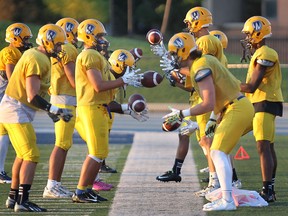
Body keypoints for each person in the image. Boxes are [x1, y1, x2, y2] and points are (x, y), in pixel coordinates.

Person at [162, 32, 254, 211]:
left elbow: (208, 102)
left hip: (235, 108)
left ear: (184, 51)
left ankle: (227, 200)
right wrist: (202, 125)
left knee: (217, 152)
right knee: (215, 148)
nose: (174, 58)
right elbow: (216, 101)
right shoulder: (201, 63)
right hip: (229, 109)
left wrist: (182, 113)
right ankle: (226, 192)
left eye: (175, 53)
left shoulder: (201, 66)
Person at [0, 23, 71, 212]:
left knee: (22, 156)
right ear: (47, 42)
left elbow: (33, 94)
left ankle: (13, 198)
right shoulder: (37, 58)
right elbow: (32, 95)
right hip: (16, 110)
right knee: (31, 155)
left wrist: (50, 111)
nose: (60, 48)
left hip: (14, 108)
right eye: (57, 45)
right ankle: (23, 201)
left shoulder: (37, 56)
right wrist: (54, 109)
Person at [72, 18, 143, 203]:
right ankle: (80, 192)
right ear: (88, 35)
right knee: (95, 153)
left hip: (99, 107)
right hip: (91, 107)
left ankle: (87, 189)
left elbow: (106, 90)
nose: (103, 38)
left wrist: (126, 108)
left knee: (100, 153)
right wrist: (123, 80)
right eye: (100, 35)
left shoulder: (97, 56)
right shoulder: (89, 56)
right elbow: (98, 86)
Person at [156, 7, 223, 197]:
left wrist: (177, 70)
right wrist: (176, 74)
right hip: (201, 96)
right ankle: (219, 180)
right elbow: (195, 79)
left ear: (197, 21)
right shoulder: (204, 40)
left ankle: (217, 182)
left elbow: (202, 69)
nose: (187, 26)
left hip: (208, 99)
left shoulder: (206, 41)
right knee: (205, 140)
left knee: (209, 142)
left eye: (189, 22)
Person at [240, 16, 283, 202]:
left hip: (265, 101)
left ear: (259, 33)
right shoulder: (260, 53)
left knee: (263, 146)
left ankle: (268, 191)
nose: (247, 38)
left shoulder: (267, 53)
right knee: (267, 146)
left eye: (249, 34)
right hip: (260, 102)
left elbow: (251, 86)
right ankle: (269, 189)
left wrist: (226, 82)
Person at [42, 17, 79, 198]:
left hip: (58, 97)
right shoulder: (69, 48)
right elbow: (73, 79)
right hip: (65, 99)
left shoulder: (60, 49)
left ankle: (55, 184)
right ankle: (51, 185)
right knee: (62, 144)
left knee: (63, 144)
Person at [0, 23, 33, 184]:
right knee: (2, 135)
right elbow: (11, 75)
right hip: (3, 97)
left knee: (4, 134)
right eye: (25, 38)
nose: (27, 42)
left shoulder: (18, 52)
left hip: (6, 97)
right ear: (15, 37)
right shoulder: (9, 51)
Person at [209, 30, 242, 188]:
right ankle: (229, 178)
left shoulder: (214, 62)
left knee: (215, 144)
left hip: (225, 104)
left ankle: (221, 182)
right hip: (223, 104)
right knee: (220, 145)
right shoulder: (218, 59)